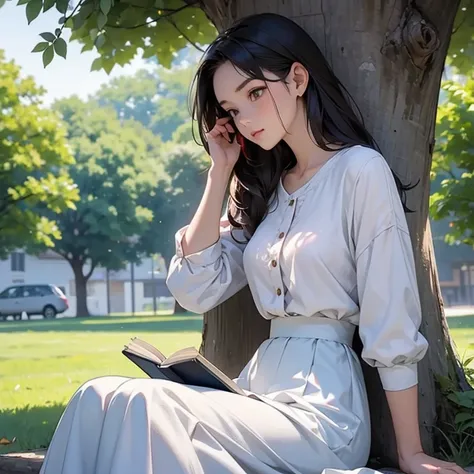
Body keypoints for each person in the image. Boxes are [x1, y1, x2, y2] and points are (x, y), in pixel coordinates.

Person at [40, 13, 467, 474]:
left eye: (255, 93)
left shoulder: (360, 172)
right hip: (255, 392)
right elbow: (194, 288)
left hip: (323, 411)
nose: (245, 117)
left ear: (298, 78)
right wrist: (220, 171)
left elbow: (392, 320)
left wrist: (411, 452)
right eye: (233, 107)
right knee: (96, 396)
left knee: (145, 405)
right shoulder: (265, 191)